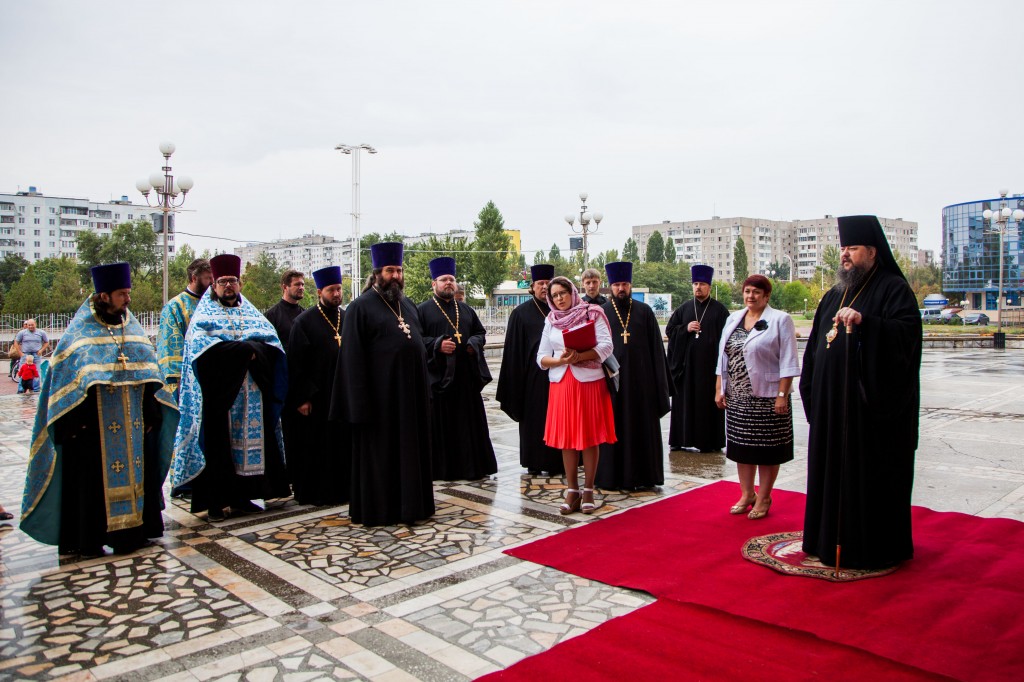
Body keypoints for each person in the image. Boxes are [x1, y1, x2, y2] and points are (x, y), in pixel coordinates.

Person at [20, 262, 177, 557]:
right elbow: (64, 383)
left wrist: (152, 412)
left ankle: (131, 535)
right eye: (121, 294)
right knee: (92, 486)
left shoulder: (132, 328)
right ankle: (90, 539)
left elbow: (149, 374)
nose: (127, 299)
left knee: (136, 480)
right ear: (103, 296)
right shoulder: (78, 335)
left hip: (133, 424)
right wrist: (76, 423)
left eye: (128, 293)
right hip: (92, 431)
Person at [801, 215, 922, 569]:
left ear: (871, 250)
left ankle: (869, 548)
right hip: (831, 408)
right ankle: (824, 540)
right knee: (828, 475)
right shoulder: (834, 294)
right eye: (842, 248)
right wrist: (812, 388)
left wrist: (866, 323)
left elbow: (907, 338)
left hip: (867, 415)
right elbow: (814, 348)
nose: (845, 255)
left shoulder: (893, 289)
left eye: (852, 248)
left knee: (863, 480)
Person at [171, 254, 290, 522]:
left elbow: (271, 345)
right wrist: (244, 351)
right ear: (214, 284)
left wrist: (250, 351)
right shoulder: (204, 315)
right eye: (223, 281)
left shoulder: (251, 313)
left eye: (232, 281)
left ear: (239, 284)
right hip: (219, 398)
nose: (228, 286)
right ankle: (216, 502)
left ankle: (243, 498)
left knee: (249, 449)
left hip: (251, 396)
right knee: (219, 449)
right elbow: (202, 354)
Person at [330, 242, 434, 526]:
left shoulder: (408, 305)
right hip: (379, 402)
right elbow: (351, 359)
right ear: (377, 273)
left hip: (410, 398)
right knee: (382, 457)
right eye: (390, 270)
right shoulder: (359, 308)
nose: (396, 275)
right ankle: (383, 510)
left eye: (399, 270)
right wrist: (359, 405)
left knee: (411, 453)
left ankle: (415, 506)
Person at [714, 274, 799, 520]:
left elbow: (789, 360)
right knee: (742, 448)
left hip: (769, 396)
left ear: (767, 296)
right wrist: (719, 388)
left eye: (756, 292)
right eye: (747, 291)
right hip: (738, 397)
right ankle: (746, 493)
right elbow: (723, 357)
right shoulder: (733, 318)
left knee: (768, 449)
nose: (751, 296)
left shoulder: (780, 320)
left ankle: (764, 496)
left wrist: (782, 394)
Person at [537, 277, 616, 514]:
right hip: (561, 383)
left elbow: (606, 346)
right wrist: (560, 360)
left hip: (589, 382)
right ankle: (572, 490)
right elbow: (541, 357)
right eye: (555, 295)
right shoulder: (550, 320)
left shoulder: (593, 312)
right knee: (567, 438)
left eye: (563, 293)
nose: (560, 298)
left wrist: (580, 357)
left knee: (589, 437)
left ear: (573, 292)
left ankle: (589, 489)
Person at [418, 257, 497, 481]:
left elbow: (480, 333)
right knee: (442, 427)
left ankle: (472, 467)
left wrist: (473, 343)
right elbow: (416, 340)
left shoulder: (466, 309)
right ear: (434, 284)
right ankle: (443, 470)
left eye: (452, 279)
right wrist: (437, 344)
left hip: (465, 381)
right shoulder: (422, 311)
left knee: (468, 427)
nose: (449, 283)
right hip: (439, 380)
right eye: (444, 280)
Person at [596, 262, 671, 491]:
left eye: (625, 284)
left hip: (642, 385)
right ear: (610, 287)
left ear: (630, 286)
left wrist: (660, 387)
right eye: (617, 284)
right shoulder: (602, 313)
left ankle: (645, 477)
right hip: (611, 384)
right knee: (613, 429)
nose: (621, 288)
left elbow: (657, 352)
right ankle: (611, 477)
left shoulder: (645, 312)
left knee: (641, 429)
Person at [286, 265, 351, 506]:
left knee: (342, 445)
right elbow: (295, 362)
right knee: (317, 447)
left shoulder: (347, 317)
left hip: (343, 394)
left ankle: (344, 489)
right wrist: (302, 398)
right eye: (332, 290)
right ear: (320, 292)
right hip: (317, 396)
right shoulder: (304, 322)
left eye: (339, 289)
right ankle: (317, 492)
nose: (337, 294)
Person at [496, 264, 565, 476]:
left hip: (561, 378)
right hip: (533, 381)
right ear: (533, 287)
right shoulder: (520, 314)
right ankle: (534, 461)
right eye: (540, 284)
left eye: (548, 283)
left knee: (560, 420)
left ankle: (559, 462)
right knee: (535, 422)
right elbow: (513, 353)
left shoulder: (563, 311)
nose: (545, 287)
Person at [666, 265, 729, 452]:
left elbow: (727, 340)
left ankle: (708, 442)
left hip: (709, 370)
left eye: (702, 284)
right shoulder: (684, 308)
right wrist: (685, 328)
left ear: (709, 286)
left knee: (706, 406)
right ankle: (680, 439)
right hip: (686, 369)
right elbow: (670, 330)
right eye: (695, 284)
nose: (698, 287)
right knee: (684, 404)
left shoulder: (720, 310)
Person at [156, 258, 212, 401]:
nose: (212, 283)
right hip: (188, 380)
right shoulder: (175, 307)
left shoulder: (214, 304)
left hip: (213, 378)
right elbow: (170, 348)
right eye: (208, 279)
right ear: (194, 278)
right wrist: (179, 382)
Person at [264, 269, 306, 352]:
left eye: (302, 284)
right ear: (285, 287)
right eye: (297, 284)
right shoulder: (271, 315)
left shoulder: (305, 315)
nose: (301, 288)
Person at [13, 318, 50, 391]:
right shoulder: (22, 333)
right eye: (29, 325)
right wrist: (20, 353)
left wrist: (41, 350)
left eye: (32, 325)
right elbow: (16, 342)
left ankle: (36, 389)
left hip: (36, 354)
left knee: (36, 371)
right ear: (27, 325)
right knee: (22, 371)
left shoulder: (41, 332)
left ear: (35, 324)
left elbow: (46, 342)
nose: (30, 326)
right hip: (25, 354)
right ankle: (21, 389)